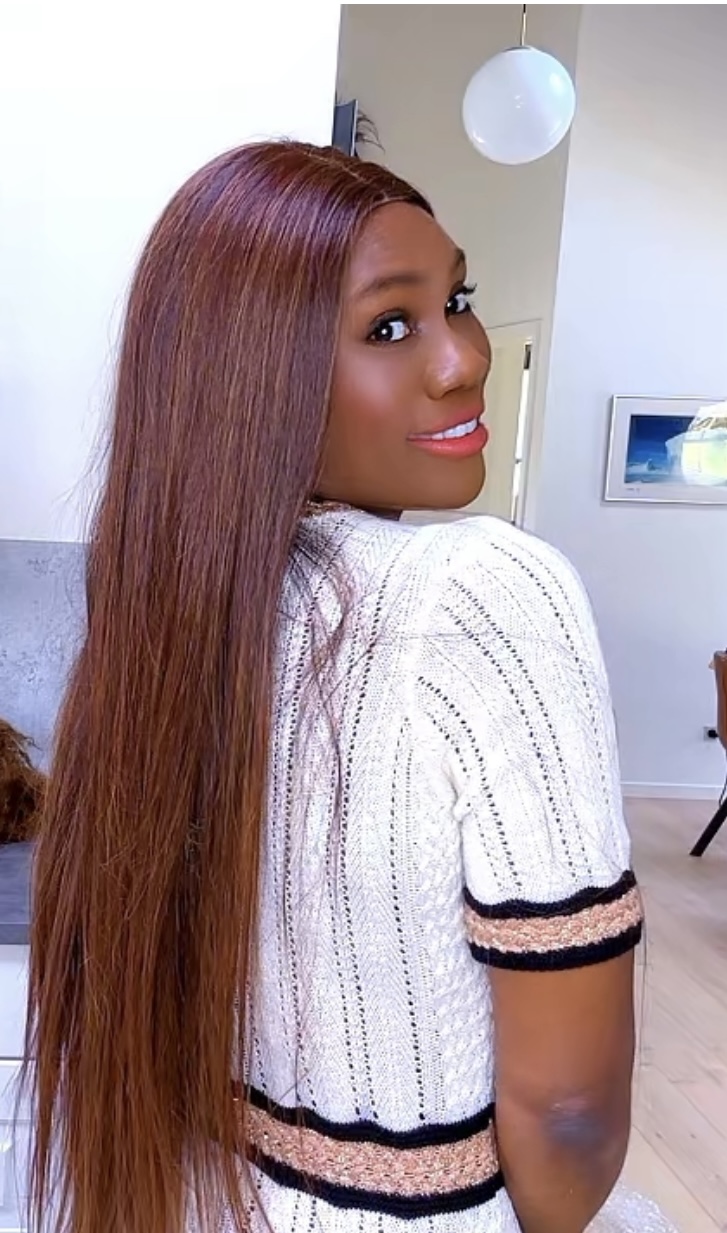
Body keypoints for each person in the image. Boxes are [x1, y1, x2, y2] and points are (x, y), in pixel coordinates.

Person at [25, 142, 676, 1233]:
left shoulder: (160, 619)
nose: (462, 358)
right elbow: (568, 1115)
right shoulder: (481, 591)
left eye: (454, 300)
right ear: (248, 380)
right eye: (388, 326)